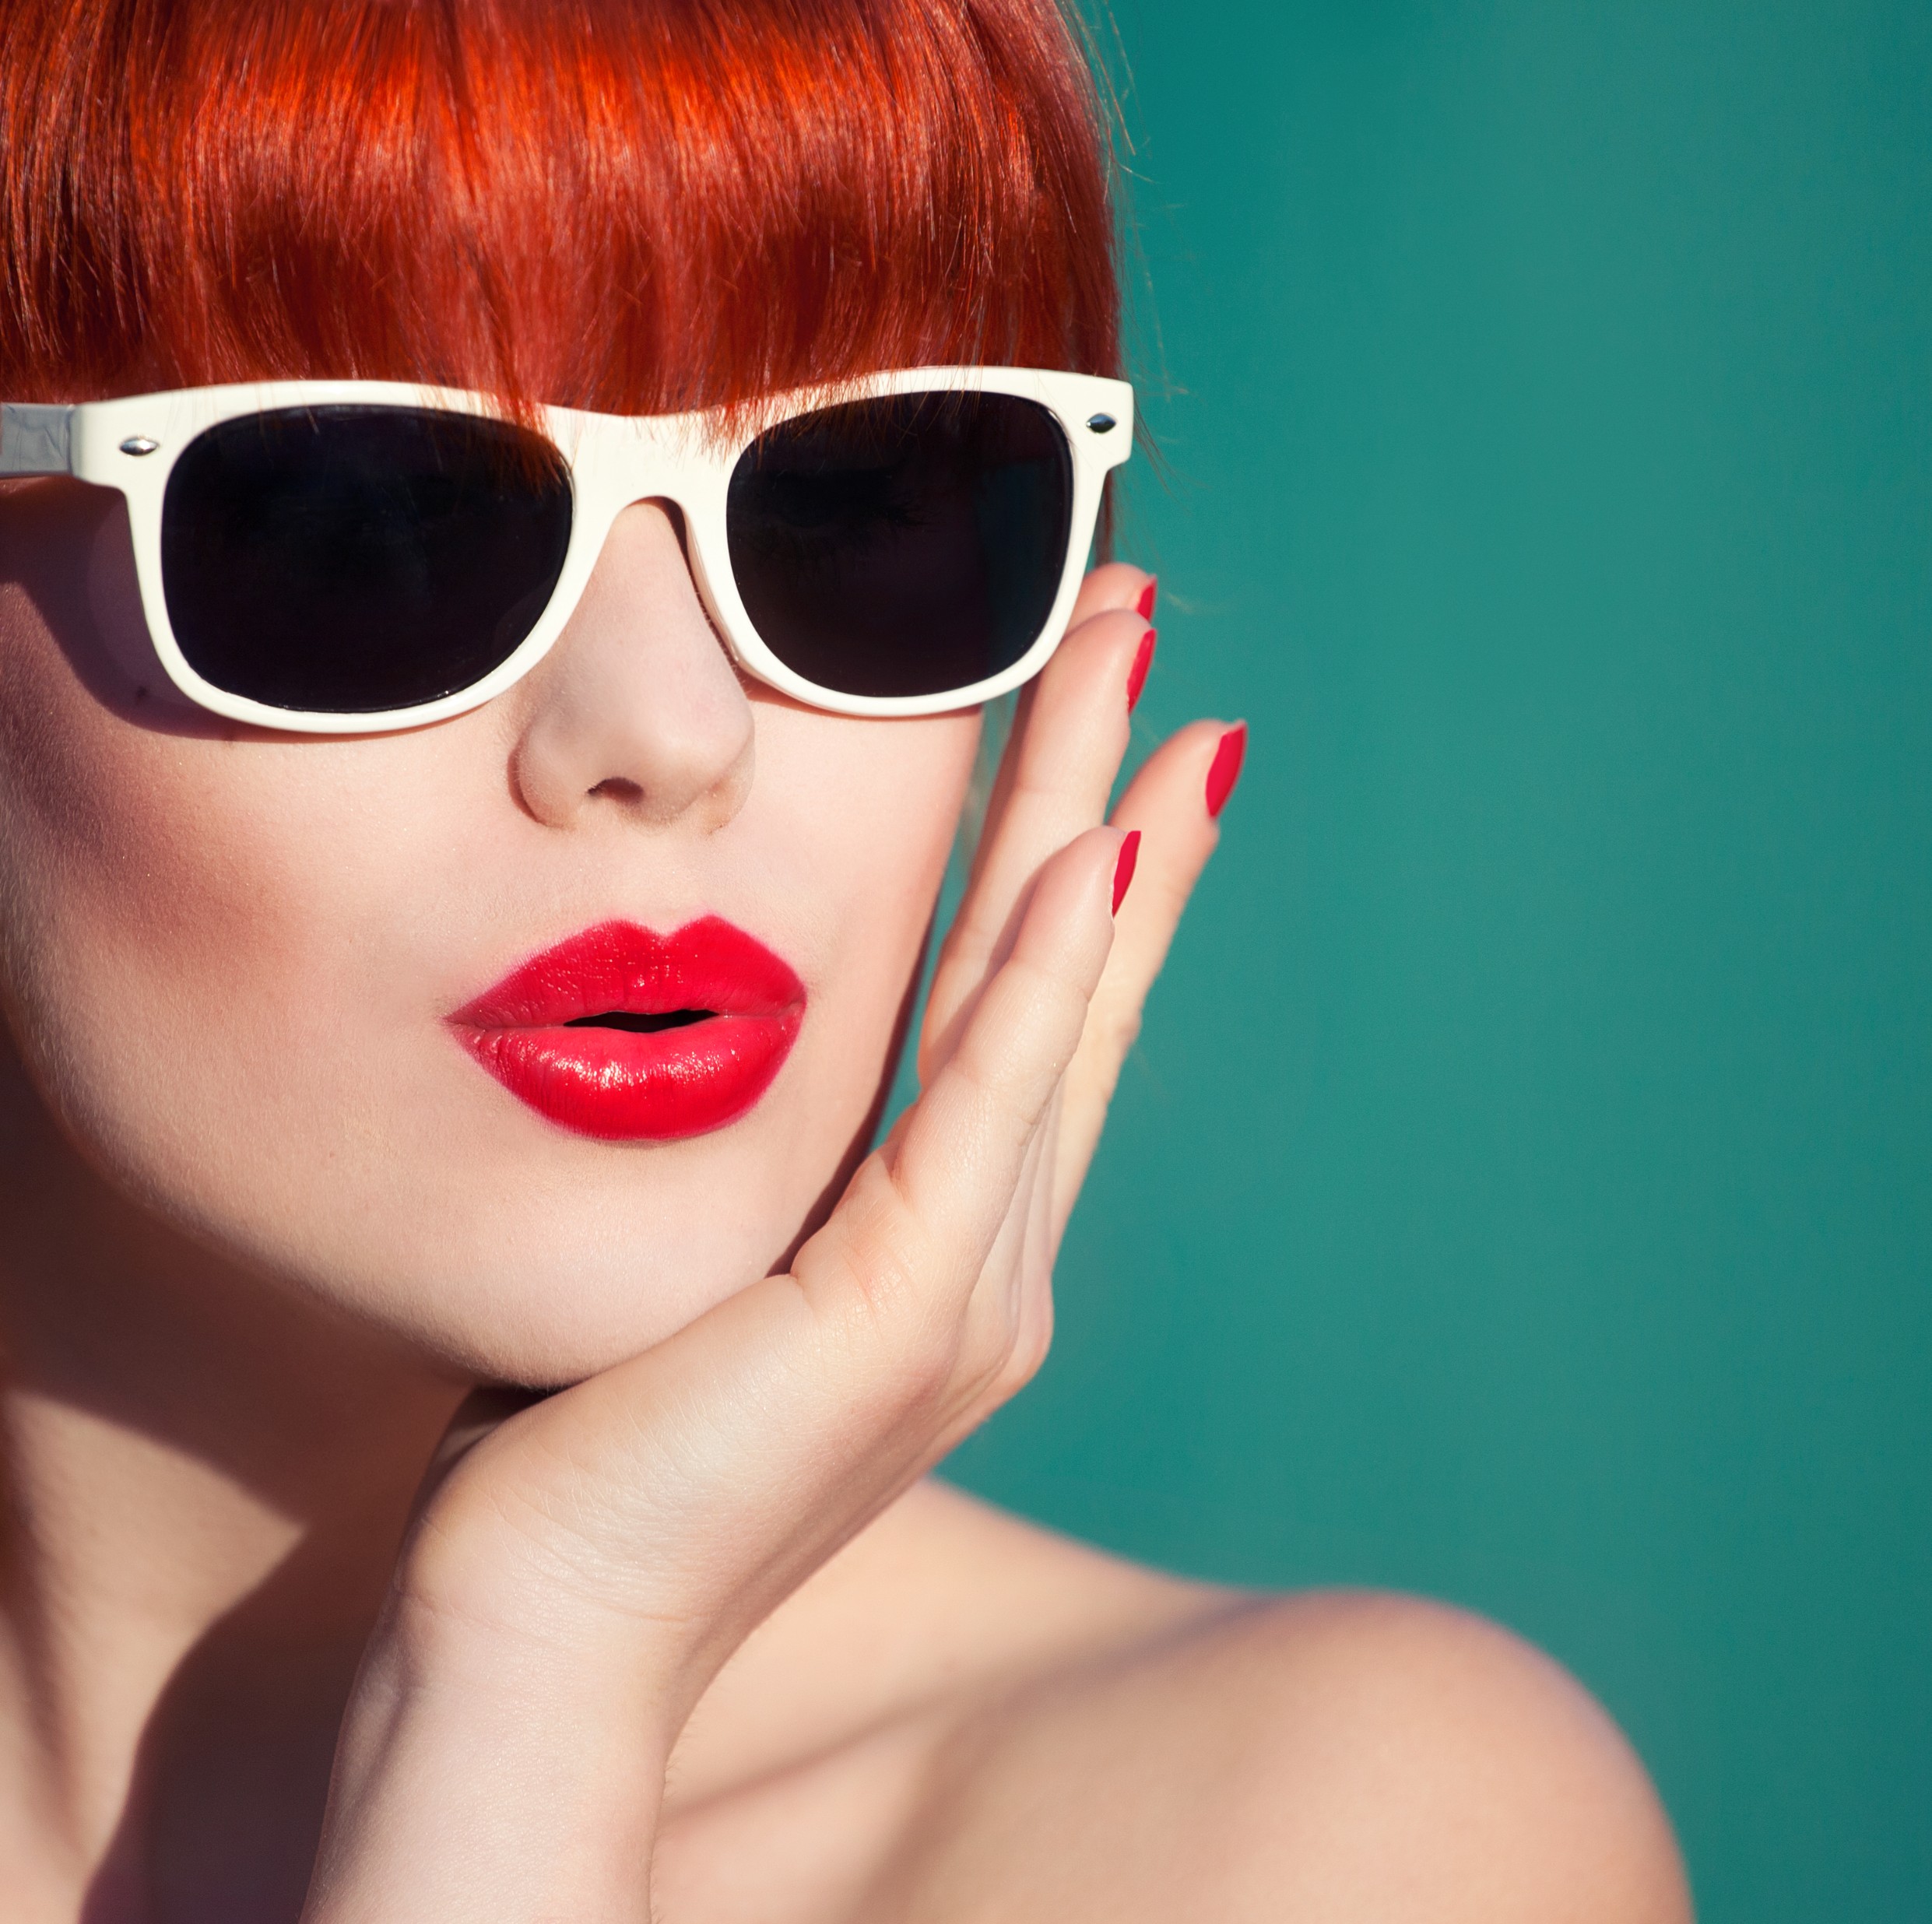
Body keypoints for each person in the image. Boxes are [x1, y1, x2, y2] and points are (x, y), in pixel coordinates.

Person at [0, 1, 1691, 1916]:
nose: (674, 727)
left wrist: (540, 1667)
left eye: (854, 495)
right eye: (361, 510)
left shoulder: (1323, 1839)